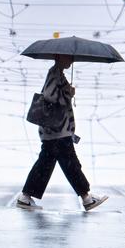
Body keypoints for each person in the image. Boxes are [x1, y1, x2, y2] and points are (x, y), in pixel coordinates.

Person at [17, 54, 108, 211]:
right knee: (71, 164)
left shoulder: (58, 74)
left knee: (46, 164)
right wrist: (68, 93)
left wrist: (66, 89)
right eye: (68, 58)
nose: (71, 61)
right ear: (59, 57)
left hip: (55, 131)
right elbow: (49, 95)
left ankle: (26, 197)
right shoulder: (54, 73)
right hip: (57, 131)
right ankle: (86, 197)